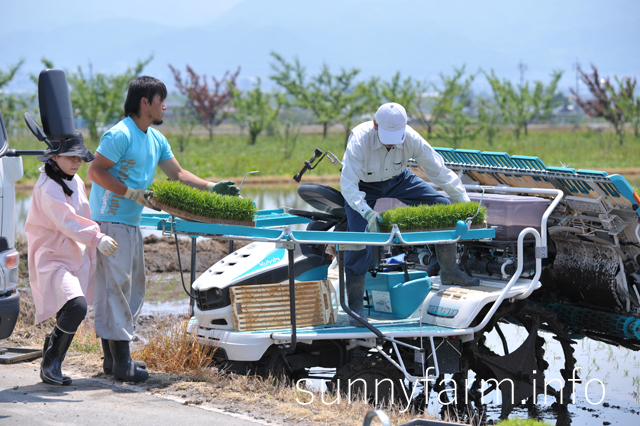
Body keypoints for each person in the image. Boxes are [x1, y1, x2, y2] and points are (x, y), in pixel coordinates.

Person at [87, 76, 238, 383]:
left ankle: (112, 360)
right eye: (161, 100)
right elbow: (94, 170)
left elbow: (178, 173)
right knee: (115, 289)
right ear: (145, 103)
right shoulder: (119, 135)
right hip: (109, 220)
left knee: (131, 288)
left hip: (129, 222)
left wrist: (211, 187)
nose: (165, 106)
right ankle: (122, 362)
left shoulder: (156, 139)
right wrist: (131, 193)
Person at [340, 102, 479, 324]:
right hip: (363, 184)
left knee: (443, 207)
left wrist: (466, 203)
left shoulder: (413, 138)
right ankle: (355, 304)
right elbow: (348, 185)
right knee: (360, 236)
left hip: (399, 178)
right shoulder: (359, 139)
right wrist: (367, 213)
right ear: (375, 125)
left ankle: (450, 270)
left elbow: (439, 172)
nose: (391, 142)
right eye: (386, 136)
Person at [25, 131, 119, 386]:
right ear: (54, 156)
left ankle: (51, 352)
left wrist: (91, 242)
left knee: (70, 306)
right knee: (76, 305)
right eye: (71, 156)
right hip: (51, 256)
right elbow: (67, 220)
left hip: (72, 253)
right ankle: (51, 361)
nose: (77, 162)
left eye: (80, 157)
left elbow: (83, 214)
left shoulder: (75, 180)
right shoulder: (47, 187)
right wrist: (97, 238)